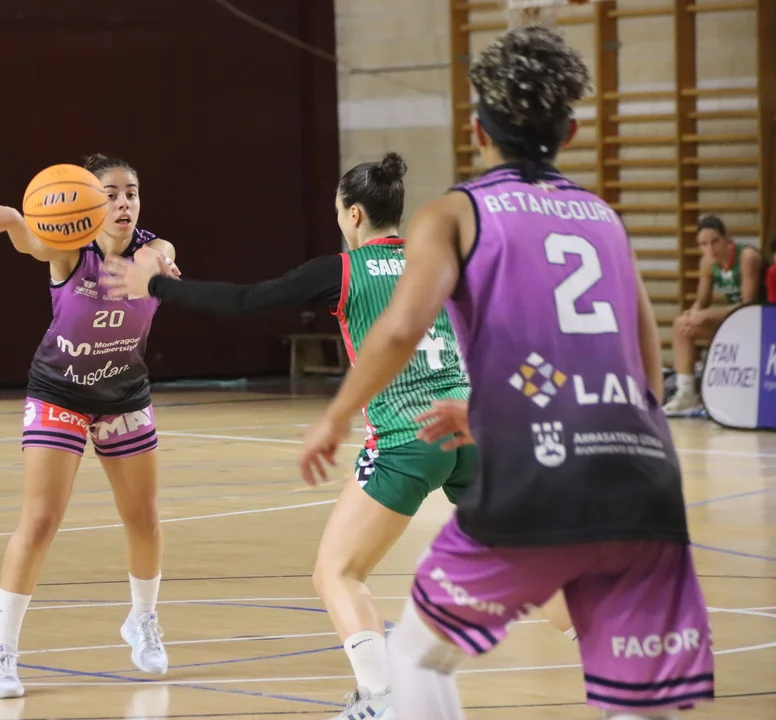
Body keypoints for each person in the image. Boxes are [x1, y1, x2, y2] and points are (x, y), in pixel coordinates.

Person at [299, 26, 713, 720]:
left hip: (539, 469)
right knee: (638, 699)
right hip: (641, 475)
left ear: (477, 131)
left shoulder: (457, 213)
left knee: (417, 655)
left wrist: (336, 417)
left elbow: (399, 330)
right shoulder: (603, 217)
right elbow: (645, 366)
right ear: (571, 133)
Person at [103, 152, 574, 720]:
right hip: (470, 429)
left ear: (353, 215)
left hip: (407, 437)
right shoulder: (441, 261)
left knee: (337, 573)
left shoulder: (343, 271)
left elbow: (245, 301)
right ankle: (616, 648)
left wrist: (156, 285)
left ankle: (381, 700)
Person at [0, 154, 180, 700]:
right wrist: (15, 220)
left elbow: (160, 255)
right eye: (111, 193)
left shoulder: (154, 248)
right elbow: (34, 245)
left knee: (144, 517)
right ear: (86, 201)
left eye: (131, 192)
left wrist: (155, 265)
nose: (123, 202)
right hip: (59, 391)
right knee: (39, 521)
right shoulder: (69, 251)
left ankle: (142, 620)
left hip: (123, 393)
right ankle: (2, 652)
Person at [663, 216, 762, 416]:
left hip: (758, 324)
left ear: (727, 238)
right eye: (704, 244)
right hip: (735, 322)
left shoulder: (747, 257)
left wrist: (707, 315)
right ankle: (686, 393)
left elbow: (748, 306)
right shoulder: (707, 263)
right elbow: (702, 300)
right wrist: (693, 313)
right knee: (682, 325)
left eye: (715, 241)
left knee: (696, 321)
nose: (710, 248)